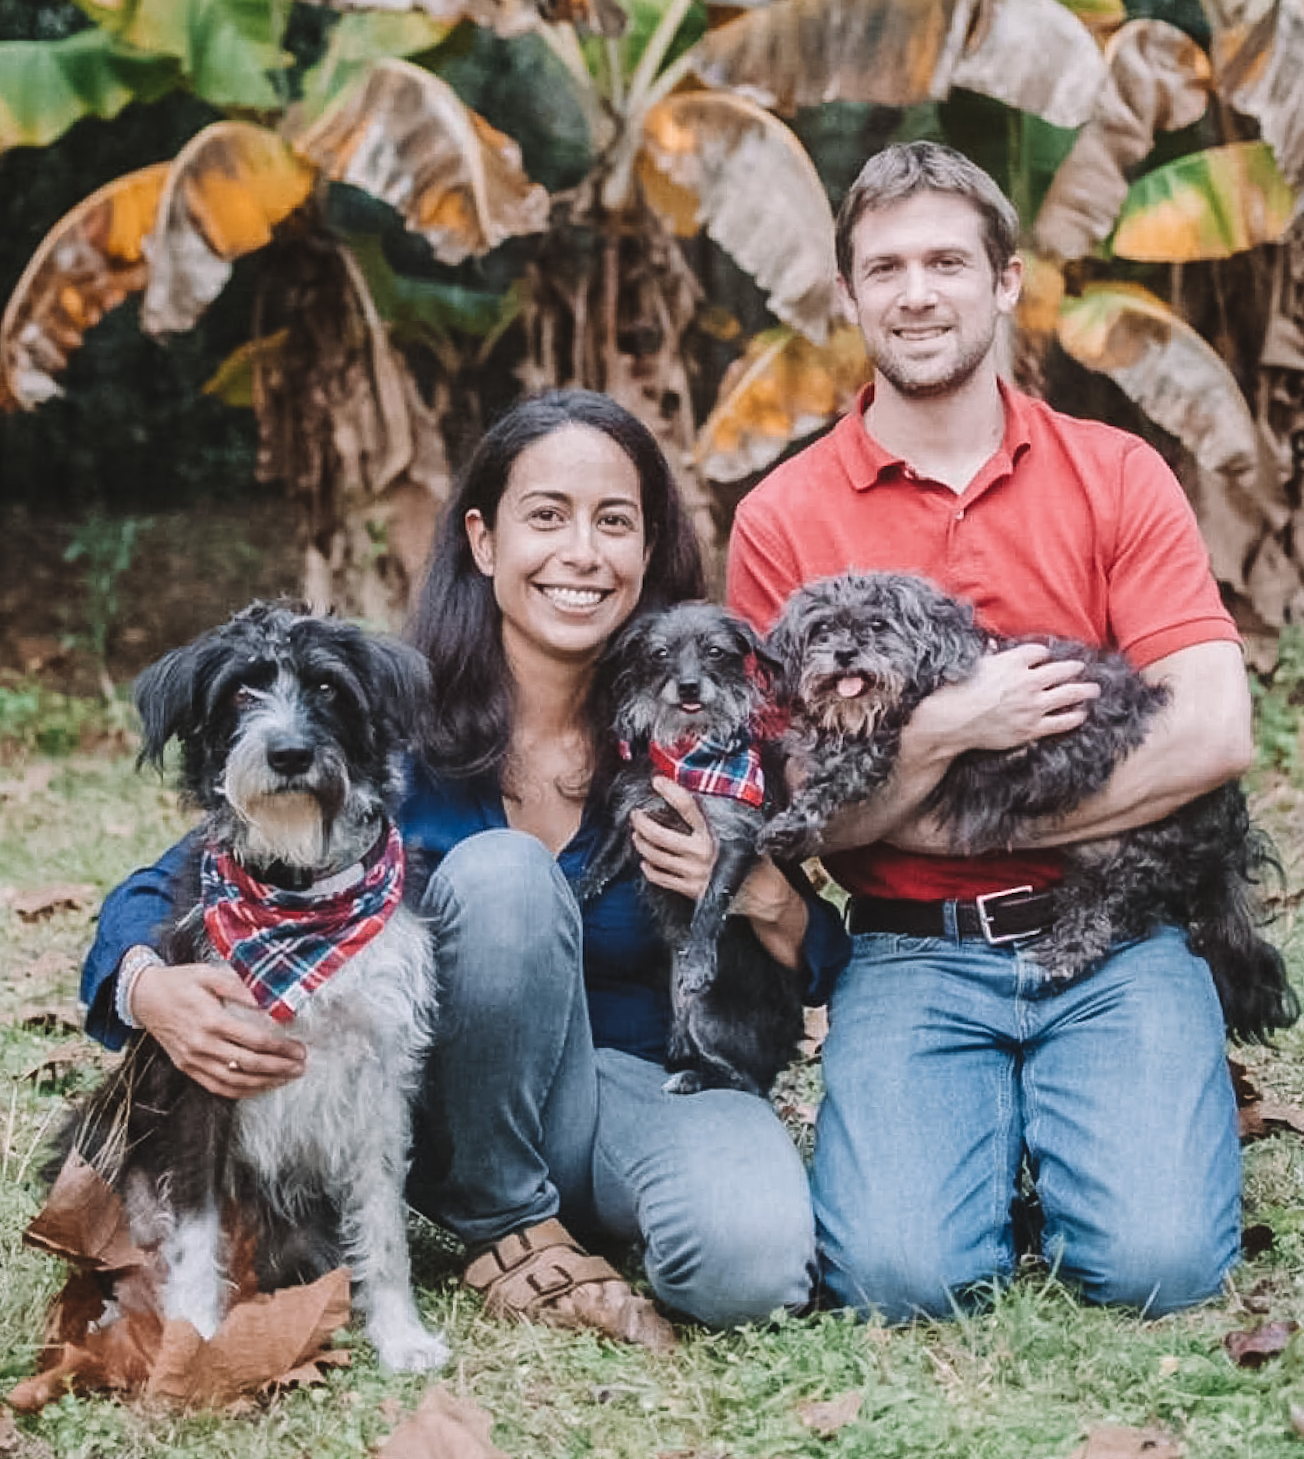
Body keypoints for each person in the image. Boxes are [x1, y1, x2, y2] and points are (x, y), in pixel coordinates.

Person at [82, 389, 849, 1342]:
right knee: (501, 876)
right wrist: (147, 986)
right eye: (546, 516)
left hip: (629, 1083)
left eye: (615, 522)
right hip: (443, 1106)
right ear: (484, 543)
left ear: (648, 551)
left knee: (754, 1273)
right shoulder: (388, 722)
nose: (581, 553)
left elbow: (818, 957)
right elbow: (174, 881)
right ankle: (506, 1227)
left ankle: (574, 1213)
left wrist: (768, 901)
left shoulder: (695, 732)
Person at [726, 141, 1254, 1323]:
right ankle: (989, 1129)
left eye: (947, 262)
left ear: (1006, 280)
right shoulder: (784, 516)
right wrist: (952, 730)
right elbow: (805, 813)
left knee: (1158, 1266)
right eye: (887, 267)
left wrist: (967, 815)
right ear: (851, 294)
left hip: (1119, 933)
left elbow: (1214, 729)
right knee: (900, 1280)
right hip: (914, 946)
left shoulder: (1117, 473)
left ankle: (1086, 1111)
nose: (917, 292)